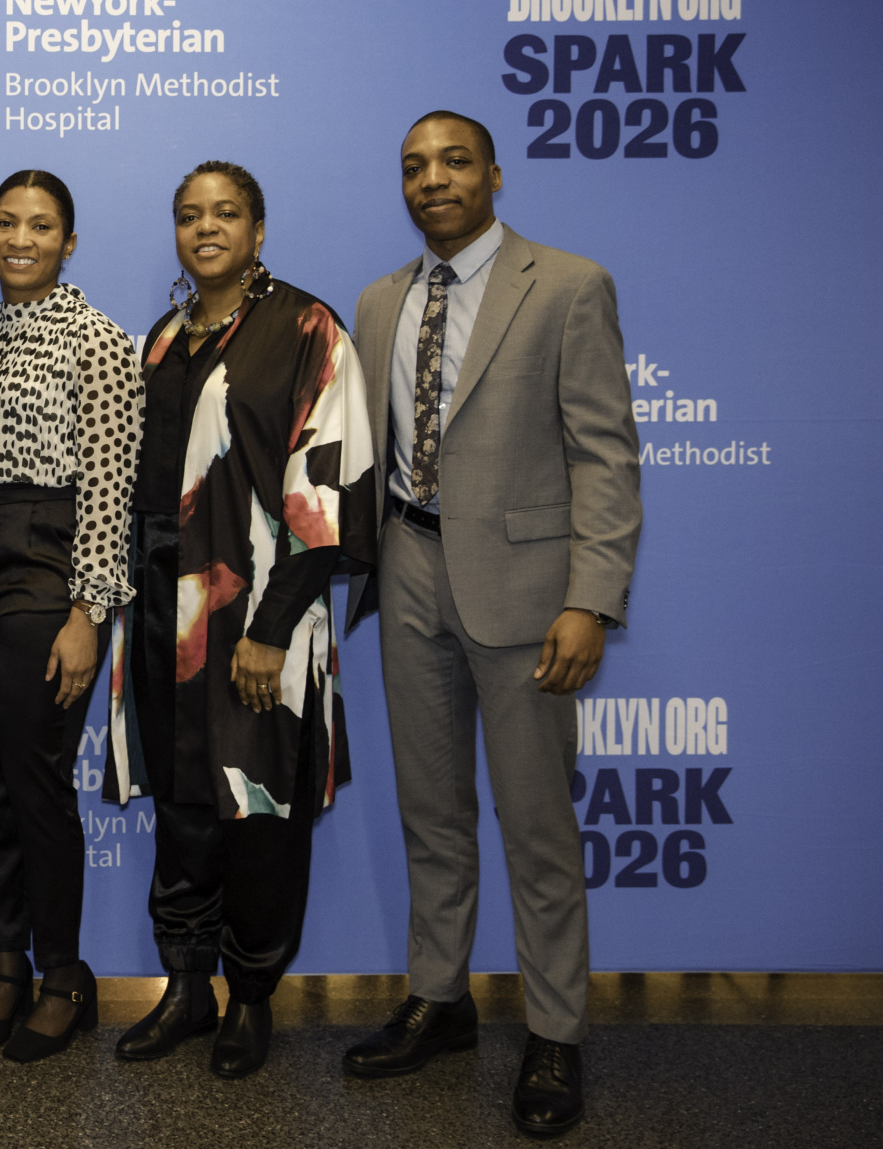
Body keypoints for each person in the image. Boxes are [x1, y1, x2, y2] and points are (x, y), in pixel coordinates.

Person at [340, 111, 640, 1140]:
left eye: (453, 162)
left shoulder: (564, 285)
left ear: (494, 175)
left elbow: (603, 454)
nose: (433, 180)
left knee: (536, 824)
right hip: (407, 571)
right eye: (413, 166)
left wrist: (588, 597)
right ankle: (441, 999)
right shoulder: (378, 302)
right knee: (432, 815)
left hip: (525, 594)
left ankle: (553, 1029)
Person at [108, 160, 375, 1080]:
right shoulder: (164, 337)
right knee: (184, 813)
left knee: (258, 814)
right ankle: (187, 989)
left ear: (259, 230)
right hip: (165, 621)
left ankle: (252, 998)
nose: (206, 228)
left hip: (263, 620)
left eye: (226, 213)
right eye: (189, 215)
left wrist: (270, 628)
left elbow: (327, 491)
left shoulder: (308, 328)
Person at [0, 170, 141, 1062]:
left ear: (69, 241)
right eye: (5, 221)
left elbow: (111, 486)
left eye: (41, 225)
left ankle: (65, 972)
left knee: (36, 779)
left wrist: (89, 611)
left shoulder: (98, 340)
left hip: (50, 564)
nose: (19, 237)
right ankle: (5, 961)